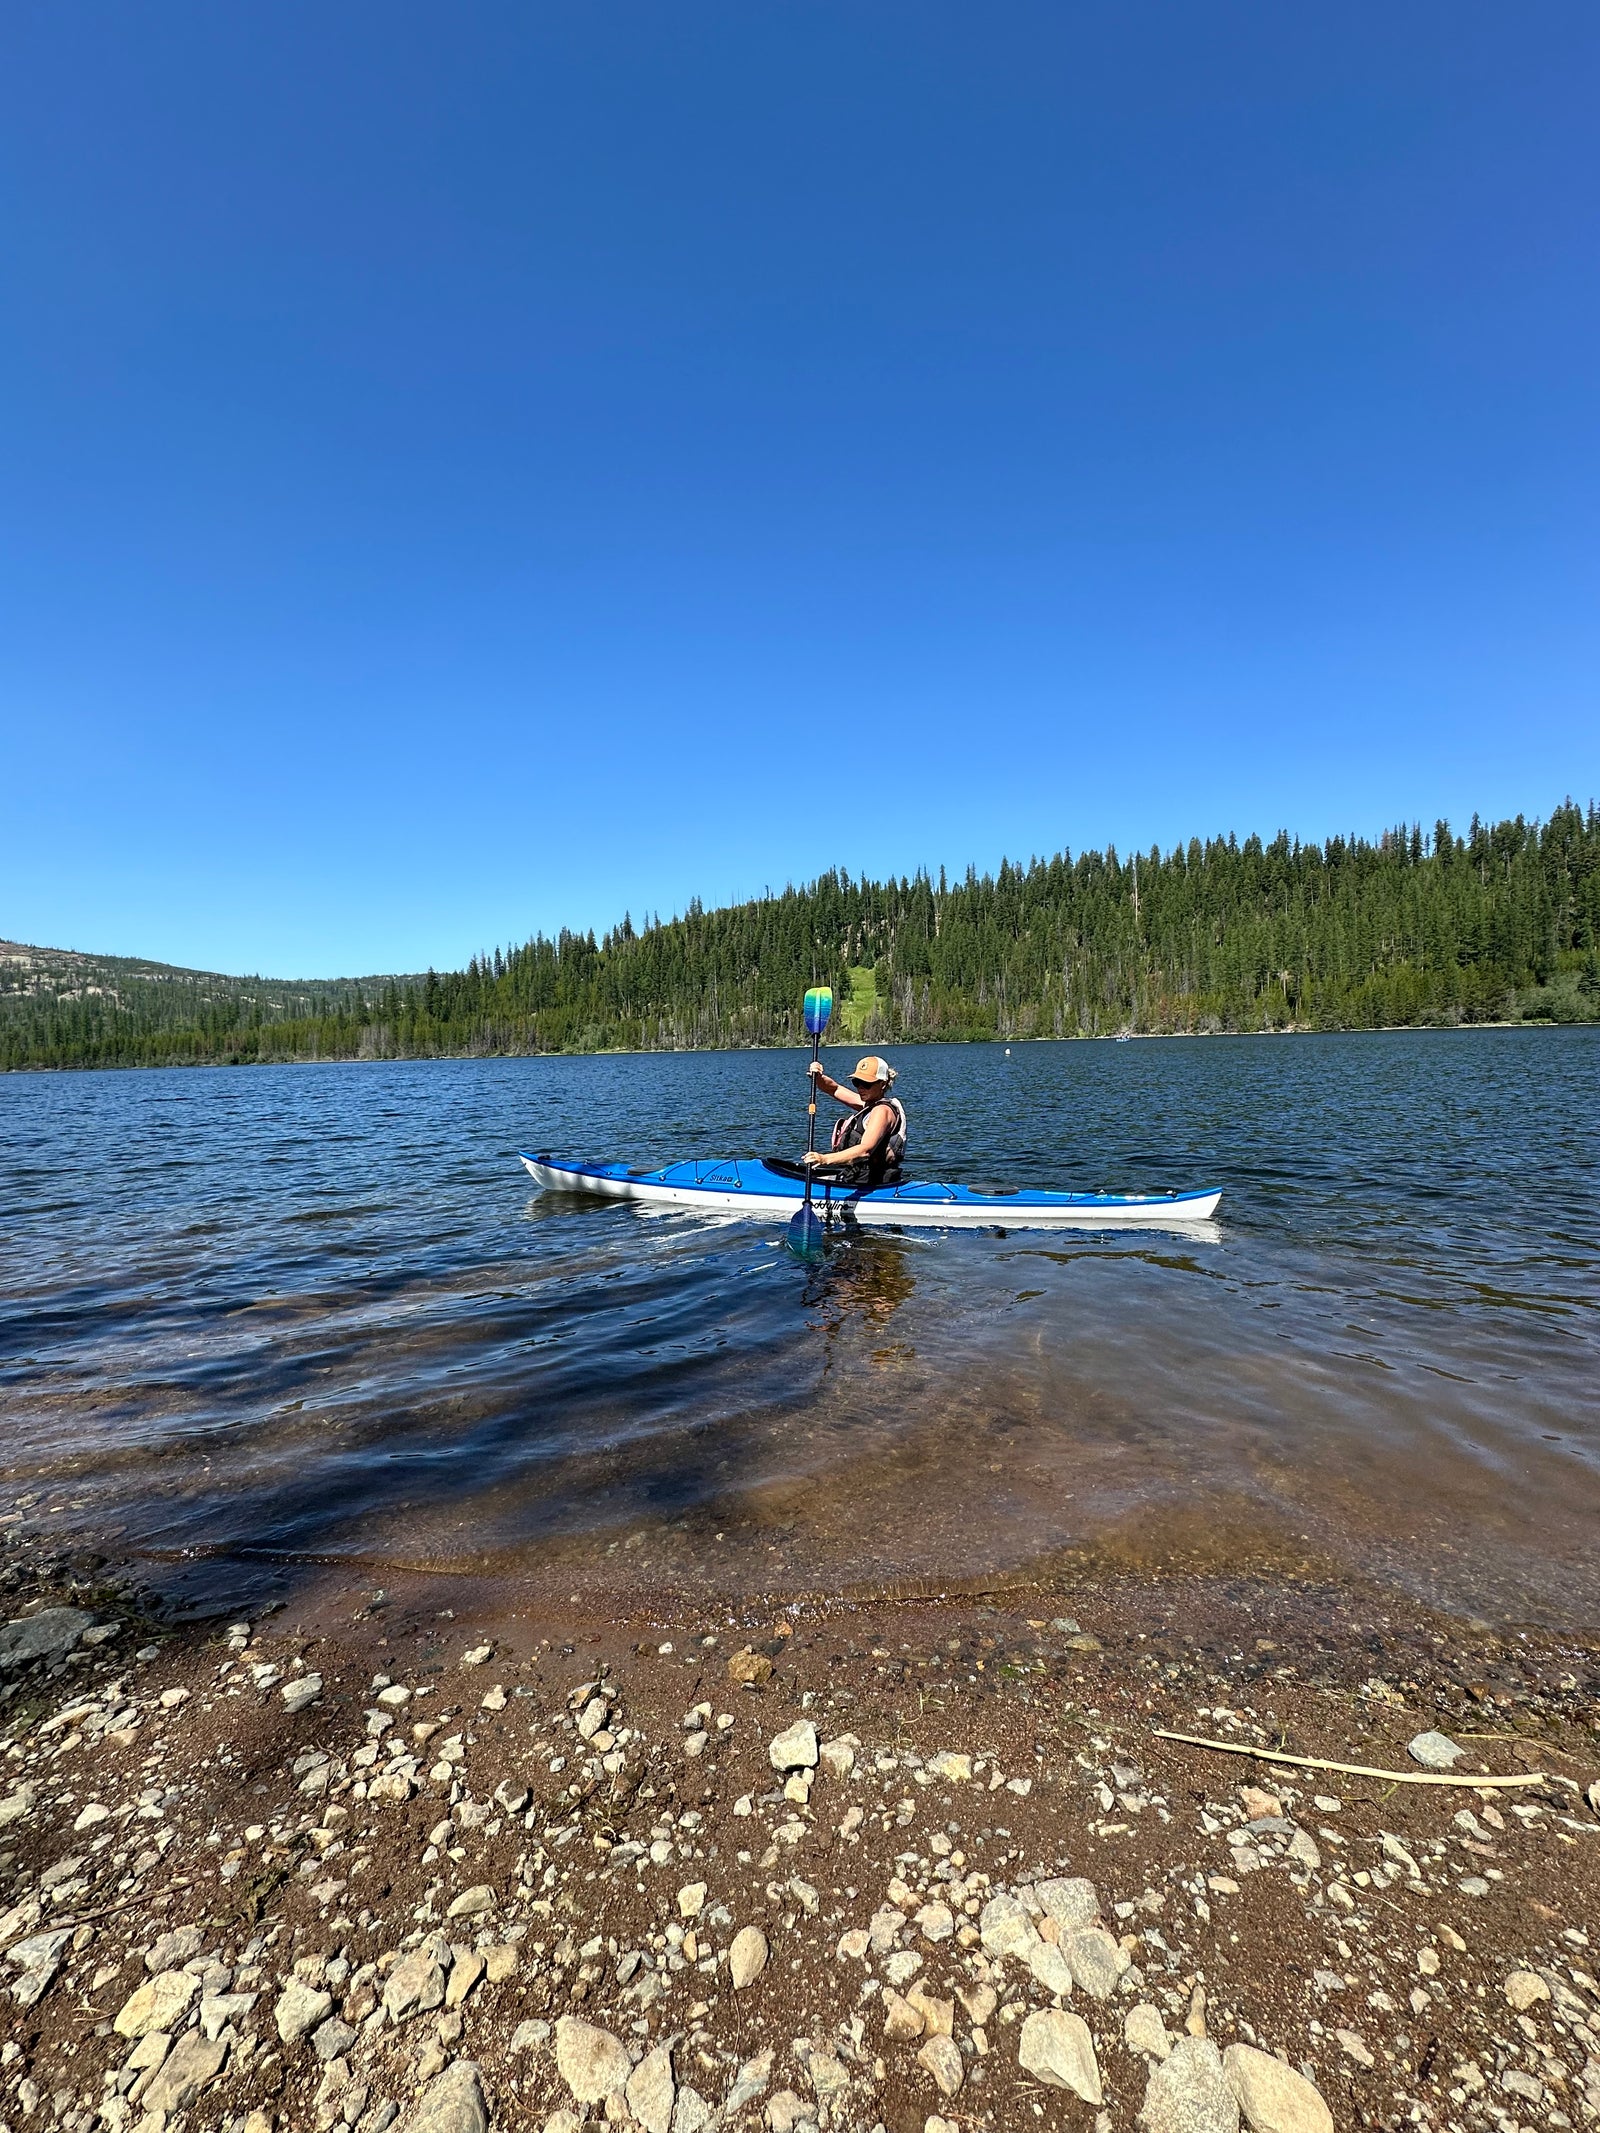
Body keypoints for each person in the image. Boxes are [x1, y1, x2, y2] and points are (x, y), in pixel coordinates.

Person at [802, 1055, 909, 1189]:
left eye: (867, 1084)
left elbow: (865, 1150)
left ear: (883, 1084)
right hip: (856, 1177)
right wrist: (818, 1077)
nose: (861, 1088)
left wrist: (824, 1159)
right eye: (857, 1082)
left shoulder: (882, 1111)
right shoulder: (869, 1104)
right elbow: (834, 1089)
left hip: (874, 1183)